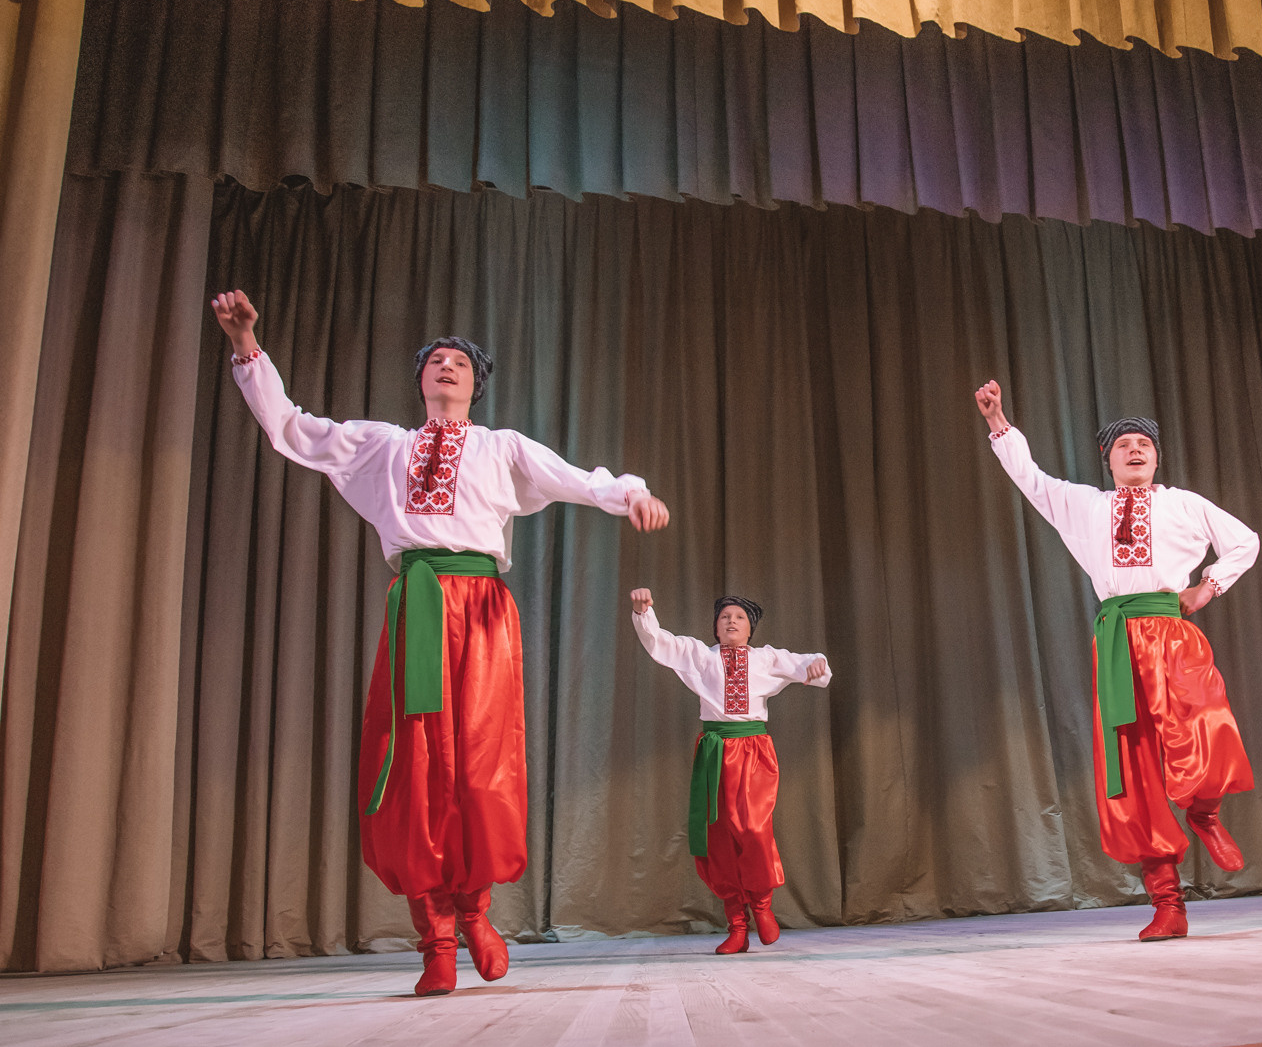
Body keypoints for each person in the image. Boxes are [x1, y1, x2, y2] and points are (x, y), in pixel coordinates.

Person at [210, 290, 671, 995]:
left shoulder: (502, 447)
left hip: (483, 610)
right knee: (416, 773)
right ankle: (435, 940)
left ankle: (478, 910)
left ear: (475, 384)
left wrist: (631, 493)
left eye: (459, 362)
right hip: (419, 607)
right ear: (420, 379)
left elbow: (581, 480)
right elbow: (294, 430)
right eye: (435, 361)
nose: (446, 368)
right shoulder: (384, 446)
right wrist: (247, 347)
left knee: (482, 771)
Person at [975, 379, 1258, 940]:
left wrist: (1209, 587)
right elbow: (1031, 480)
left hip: (1173, 633)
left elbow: (1244, 541)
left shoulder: (1185, 503)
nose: (1135, 450)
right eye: (1124, 444)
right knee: (1131, 769)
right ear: (1108, 459)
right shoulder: (1086, 506)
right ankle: (1168, 903)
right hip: (1116, 641)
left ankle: (1205, 812)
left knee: (1207, 729)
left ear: (1156, 457)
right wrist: (997, 422)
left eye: (1144, 445)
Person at [629, 590, 831, 954]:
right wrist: (643, 613)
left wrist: (817, 664)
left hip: (753, 750)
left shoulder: (766, 658)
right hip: (714, 751)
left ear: (750, 628)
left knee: (753, 828)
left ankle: (762, 905)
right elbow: (660, 642)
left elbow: (809, 662)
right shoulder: (699, 656)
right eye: (724, 617)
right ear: (716, 628)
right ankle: (737, 925)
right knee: (719, 839)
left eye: (738, 617)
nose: (731, 621)